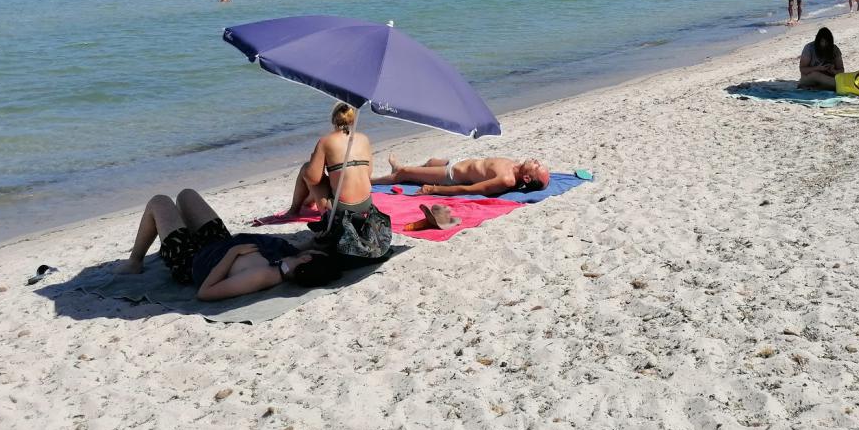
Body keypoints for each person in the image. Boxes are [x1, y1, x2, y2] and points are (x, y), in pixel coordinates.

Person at [115, 188, 341, 300]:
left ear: (308, 258)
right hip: (217, 243)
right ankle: (178, 228)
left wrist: (233, 253)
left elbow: (206, 292)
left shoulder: (263, 276)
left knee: (159, 201)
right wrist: (312, 241)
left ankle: (135, 261)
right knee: (186, 195)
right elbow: (290, 251)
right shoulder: (286, 262)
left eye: (312, 251)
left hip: (190, 261)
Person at [286, 102, 375, 219]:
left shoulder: (326, 141)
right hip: (366, 205)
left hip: (341, 210)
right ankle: (307, 202)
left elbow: (312, 179)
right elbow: (368, 173)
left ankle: (293, 210)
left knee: (306, 169)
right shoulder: (364, 139)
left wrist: (314, 160)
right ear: (352, 120)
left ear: (333, 120)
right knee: (336, 177)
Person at [374, 155, 550, 196]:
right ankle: (402, 171)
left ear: (527, 178)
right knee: (430, 161)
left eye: (537, 166)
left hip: (450, 175)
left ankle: (371, 180)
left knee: (404, 173)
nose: (536, 161)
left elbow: (471, 189)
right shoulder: (517, 167)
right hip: (459, 162)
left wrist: (434, 189)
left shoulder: (507, 179)